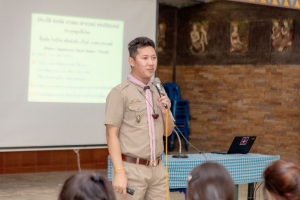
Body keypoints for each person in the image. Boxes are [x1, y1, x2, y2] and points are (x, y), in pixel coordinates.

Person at [105, 37, 174, 200]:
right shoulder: (120, 92)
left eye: (154, 57)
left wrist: (166, 113)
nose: (151, 63)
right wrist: (119, 172)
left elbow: (168, 133)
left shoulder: (158, 89)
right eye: (145, 58)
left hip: (157, 170)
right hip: (131, 169)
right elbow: (111, 135)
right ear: (132, 61)